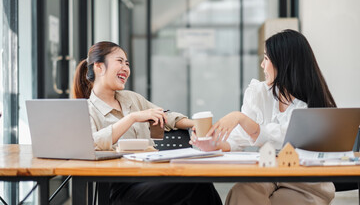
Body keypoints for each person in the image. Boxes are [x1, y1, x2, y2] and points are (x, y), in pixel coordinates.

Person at [191, 29, 336, 205]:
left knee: (281, 201)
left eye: (266, 58)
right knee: (242, 191)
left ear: (284, 63)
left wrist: (242, 119)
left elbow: (287, 138)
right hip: (268, 174)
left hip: (303, 181)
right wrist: (214, 145)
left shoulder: (312, 104)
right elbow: (240, 138)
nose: (262, 65)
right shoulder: (258, 93)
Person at [72, 41, 222, 205]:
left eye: (127, 63)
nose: (126, 68)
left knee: (201, 183)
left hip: (153, 174)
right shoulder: (86, 109)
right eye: (120, 61)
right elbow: (91, 144)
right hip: (121, 188)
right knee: (192, 185)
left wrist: (194, 124)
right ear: (99, 67)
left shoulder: (131, 98)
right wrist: (132, 118)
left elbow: (166, 116)